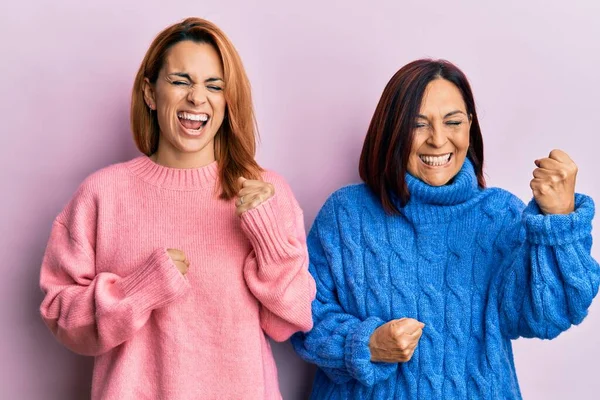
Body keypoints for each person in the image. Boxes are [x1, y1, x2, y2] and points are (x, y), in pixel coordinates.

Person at [39, 17, 315, 400]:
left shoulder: (264, 194)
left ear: (227, 100)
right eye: (181, 81)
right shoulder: (102, 193)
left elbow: (289, 322)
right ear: (151, 94)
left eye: (214, 85)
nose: (197, 98)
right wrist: (140, 287)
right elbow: (61, 316)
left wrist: (267, 239)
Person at [292, 59, 599, 399]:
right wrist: (367, 344)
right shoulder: (346, 214)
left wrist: (557, 221)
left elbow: (550, 316)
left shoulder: (500, 216)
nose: (438, 140)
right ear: (393, 130)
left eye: (453, 121)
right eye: (418, 125)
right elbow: (303, 317)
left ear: (470, 125)